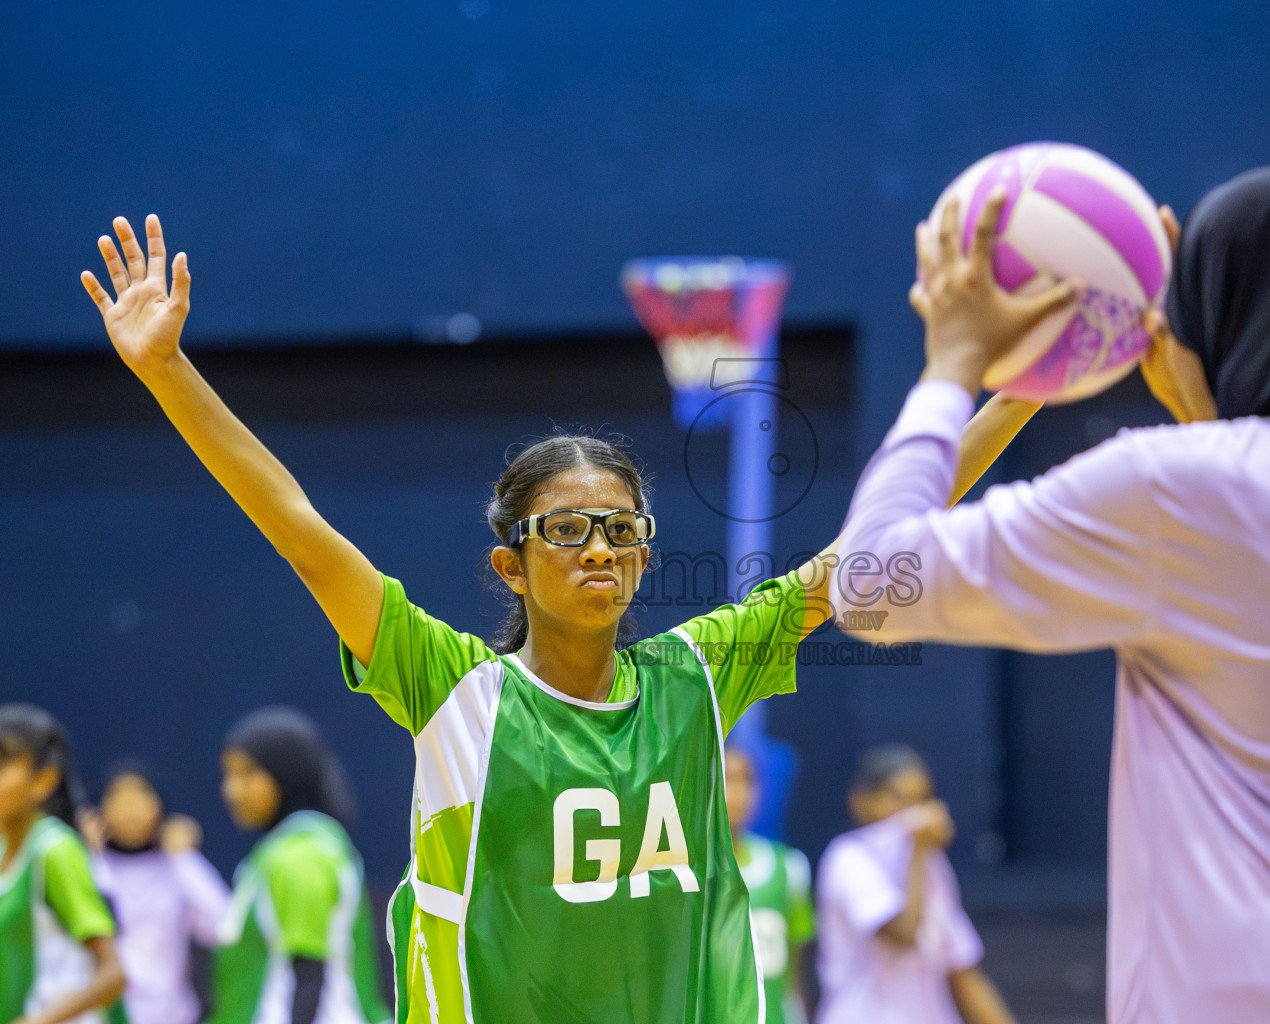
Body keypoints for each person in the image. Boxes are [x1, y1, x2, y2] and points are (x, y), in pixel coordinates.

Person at [80, 216, 1073, 1024]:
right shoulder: (452, 686)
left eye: (620, 527)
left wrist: (1024, 391)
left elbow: (867, 548)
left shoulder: (698, 670)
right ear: (511, 564)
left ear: (644, 553)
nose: (598, 545)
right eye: (566, 529)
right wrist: (170, 372)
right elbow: (301, 530)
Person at [830, 168, 1270, 1021]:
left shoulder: (1174, 492)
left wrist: (953, 364)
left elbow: (869, 585)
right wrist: (1210, 389)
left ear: (1229, 326)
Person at [210, 707, 388, 1024]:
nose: (232, 790)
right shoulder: (285, 849)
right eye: (228, 774)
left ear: (286, 773)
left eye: (247, 774)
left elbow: (309, 976)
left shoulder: (301, 856)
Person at [815, 745, 1017, 1024]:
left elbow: (962, 971)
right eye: (899, 798)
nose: (915, 814)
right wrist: (919, 851)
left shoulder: (931, 864)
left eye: (921, 801)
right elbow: (903, 935)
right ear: (860, 801)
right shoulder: (847, 858)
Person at [0, 704, 127, 1024]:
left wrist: (40, 1021)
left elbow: (114, 974)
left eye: (2, 766)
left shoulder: (54, 850)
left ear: (44, 780)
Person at [85, 762, 230, 1024]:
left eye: (140, 796)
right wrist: (91, 856)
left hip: (173, 1016)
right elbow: (94, 917)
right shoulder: (90, 867)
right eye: (119, 798)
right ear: (100, 811)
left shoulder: (177, 867)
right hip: (106, 1016)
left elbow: (223, 926)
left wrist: (185, 858)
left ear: (158, 805)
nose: (130, 808)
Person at [723, 746, 815, 1024]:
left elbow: (794, 973)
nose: (737, 793)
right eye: (726, 778)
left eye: (746, 781)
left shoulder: (789, 867)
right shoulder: (682, 870)